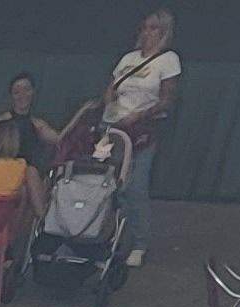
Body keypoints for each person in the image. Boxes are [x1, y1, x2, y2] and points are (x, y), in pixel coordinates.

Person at [98, 8, 180, 246]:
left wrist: (140, 115)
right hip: (113, 126)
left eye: (153, 28)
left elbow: (167, 99)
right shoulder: (128, 59)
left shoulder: (168, 60)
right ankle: (112, 235)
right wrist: (109, 102)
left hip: (141, 128)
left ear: (164, 32)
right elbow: (111, 87)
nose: (147, 33)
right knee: (109, 184)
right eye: (144, 27)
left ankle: (139, 241)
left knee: (135, 185)